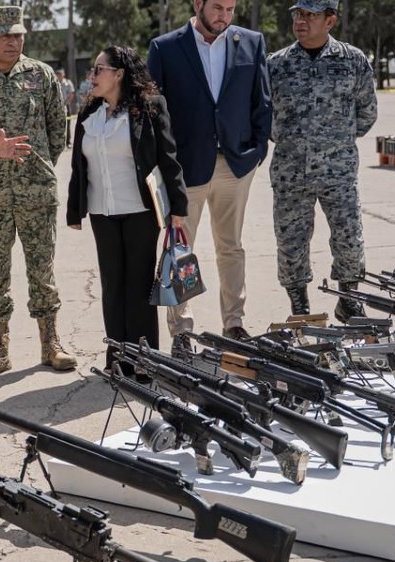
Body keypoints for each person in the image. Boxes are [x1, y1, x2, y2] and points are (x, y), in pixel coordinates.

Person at [0, 5, 76, 378]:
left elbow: (58, 130)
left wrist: (39, 167)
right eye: (5, 35)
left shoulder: (41, 75)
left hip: (37, 192)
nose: (13, 41)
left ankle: (50, 343)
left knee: (43, 269)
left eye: (18, 34)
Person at [148, 0, 272, 351]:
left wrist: (257, 151)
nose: (224, 16)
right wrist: (165, 164)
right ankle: (181, 331)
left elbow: (262, 101)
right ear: (198, 4)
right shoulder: (165, 48)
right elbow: (154, 112)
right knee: (179, 249)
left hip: (235, 165)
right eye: (217, 7)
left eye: (231, 9)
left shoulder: (251, 42)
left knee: (231, 246)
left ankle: (234, 323)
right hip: (185, 169)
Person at [67, 46, 189, 370]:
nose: (92, 76)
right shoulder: (88, 113)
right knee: (112, 286)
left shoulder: (150, 107)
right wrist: (74, 210)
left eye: (98, 69)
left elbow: (168, 158)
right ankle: (118, 359)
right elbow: (78, 166)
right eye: (93, 70)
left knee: (138, 286)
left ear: (119, 74)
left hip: (140, 211)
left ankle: (144, 361)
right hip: (101, 212)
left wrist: (178, 206)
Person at [267, 0, 377, 321]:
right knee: (291, 242)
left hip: (338, 171)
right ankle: (299, 303)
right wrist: (291, 142)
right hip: (290, 172)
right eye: (297, 14)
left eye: (310, 15)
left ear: (330, 21)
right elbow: (262, 115)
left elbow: (367, 112)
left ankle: (349, 298)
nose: (300, 21)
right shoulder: (276, 65)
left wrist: (335, 142)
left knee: (349, 238)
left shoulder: (353, 60)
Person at [56, 67, 76, 146]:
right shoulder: (55, 83)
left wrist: (66, 103)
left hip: (66, 105)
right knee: (57, 125)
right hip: (57, 106)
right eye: (57, 74)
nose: (59, 75)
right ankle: (59, 142)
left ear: (63, 74)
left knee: (67, 124)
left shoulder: (68, 82)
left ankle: (68, 142)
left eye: (60, 74)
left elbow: (71, 94)